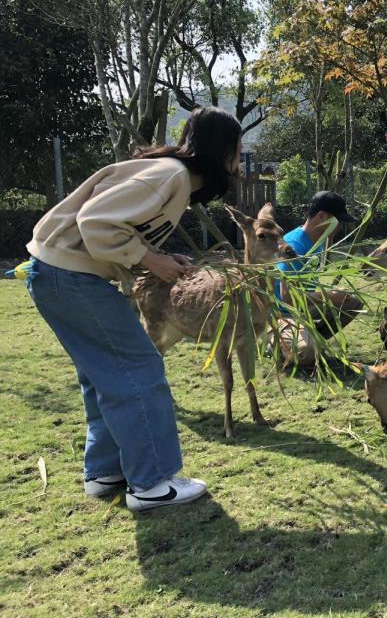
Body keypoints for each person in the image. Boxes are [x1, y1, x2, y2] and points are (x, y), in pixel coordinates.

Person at [25, 106, 243, 511]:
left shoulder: (170, 177)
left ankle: (106, 471)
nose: (239, 163)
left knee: (104, 374)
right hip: (70, 275)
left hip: (59, 274)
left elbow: (120, 229)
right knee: (139, 368)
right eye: (238, 150)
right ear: (223, 149)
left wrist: (159, 257)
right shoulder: (170, 176)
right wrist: (152, 260)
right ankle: (152, 482)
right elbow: (96, 221)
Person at [274, 191, 363, 363]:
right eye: (338, 222)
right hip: (282, 315)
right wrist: (329, 295)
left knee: (352, 302)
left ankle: (309, 339)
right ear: (322, 216)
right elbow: (288, 297)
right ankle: (281, 343)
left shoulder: (317, 242)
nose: (340, 227)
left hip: (302, 311)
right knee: (307, 352)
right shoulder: (294, 247)